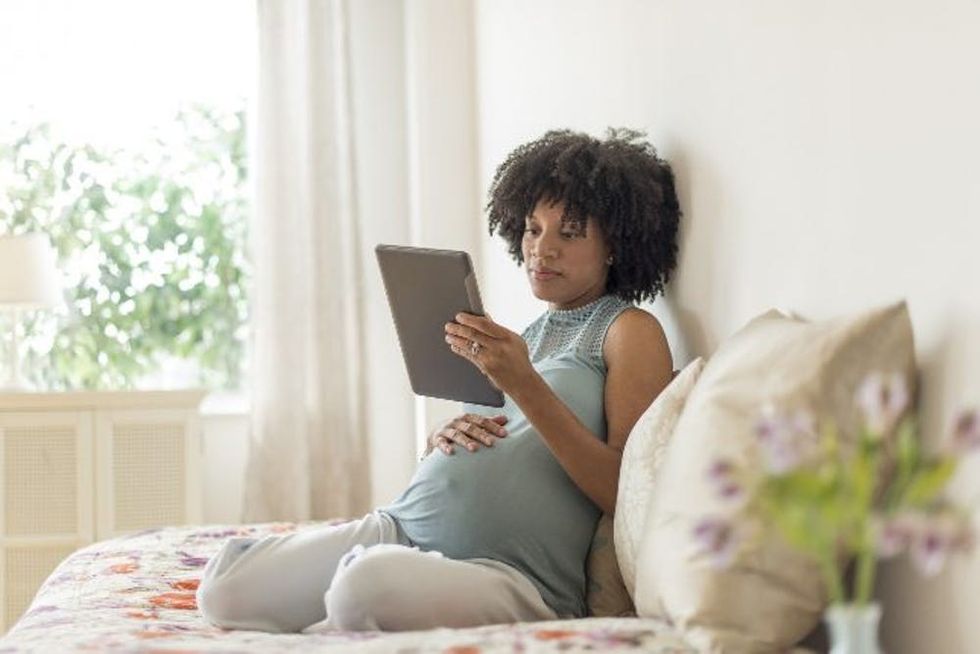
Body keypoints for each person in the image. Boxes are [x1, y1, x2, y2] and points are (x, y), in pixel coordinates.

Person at [196, 128, 681, 633]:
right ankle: (360, 586)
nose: (543, 249)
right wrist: (443, 439)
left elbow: (625, 492)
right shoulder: (527, 336)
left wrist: (523, 384)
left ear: (615, 247)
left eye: (569, 232)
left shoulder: (629, 331)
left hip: (511, 574)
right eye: (533, 229)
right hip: (401, 527)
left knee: (362, 590)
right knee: (225, 592)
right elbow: (514, 442)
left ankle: (357, 594)